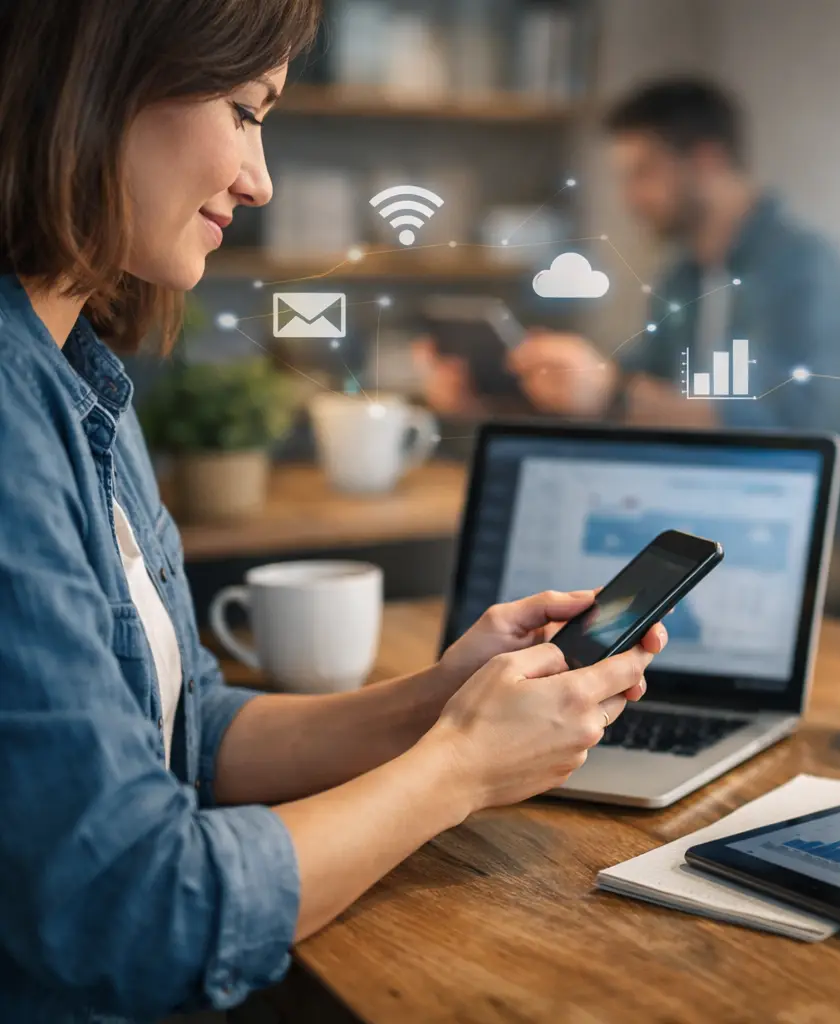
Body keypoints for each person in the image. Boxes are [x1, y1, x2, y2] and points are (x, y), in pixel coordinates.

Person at [0, 3, 664, 1020]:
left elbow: (193, 733)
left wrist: (437, 698)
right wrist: (460, 770)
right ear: (92, 82)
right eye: (243, 110)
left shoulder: (75, 375)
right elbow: (132, 909)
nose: (258, 180)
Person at [444, 78, 840, 532]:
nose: (629, 199)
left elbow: (794, 431)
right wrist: (510, 392)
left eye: (643, 173)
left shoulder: (804, 269)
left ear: (706, 161)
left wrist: (612, 393)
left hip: (806, 530)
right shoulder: (683, 276)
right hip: (697, 520)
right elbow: (640, 389)